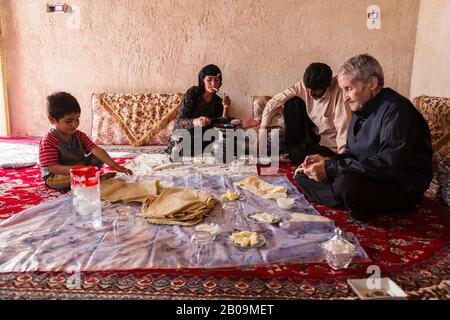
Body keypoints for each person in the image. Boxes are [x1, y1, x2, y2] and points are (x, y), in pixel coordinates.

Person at [295, 54, 433, 221]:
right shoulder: (360, 109)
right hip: (370, 176)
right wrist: (326, 161)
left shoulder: (397, 110)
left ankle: (345, 199)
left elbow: (387, 166)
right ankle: (348, 201)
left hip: (400, 186)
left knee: (346, 185)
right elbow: (353, 154)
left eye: (349, 89)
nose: (345, 97)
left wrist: (331, 168)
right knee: (303, 175)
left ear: (372, 84)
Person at [260, 63, 352, 164]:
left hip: (330, 146)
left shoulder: (340, 92)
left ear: (327, 85)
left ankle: (292, 156)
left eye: (315, 91)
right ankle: (292, 151)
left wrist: (342, 159)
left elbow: (344, 127)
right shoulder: (304, 85)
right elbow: (274, 102)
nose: (309, 93)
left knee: (300, 157)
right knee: (293, 102)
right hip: (313, 134)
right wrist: (263, 130)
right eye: (307, 88)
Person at [39, 92, 133, 190]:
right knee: (71, 178)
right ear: (52, 119)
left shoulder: (78, 135)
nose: (75, 125)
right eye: (69, 121)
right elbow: (53, 167)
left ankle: (87, 178)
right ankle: (93, 178)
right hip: (57, 176)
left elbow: (96, 150)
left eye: (77, 119)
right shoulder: (48, 141)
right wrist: (79, 170)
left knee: (98, 156)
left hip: (79, 168)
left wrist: (116, 166)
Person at [166, 64, 232, 157]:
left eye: (216, 80)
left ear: (220, 82)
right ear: (202, 80)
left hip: (203, 137)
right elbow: (179, 121)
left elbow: (223, 123)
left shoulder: (218, 101)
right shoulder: (193, 93)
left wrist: (226, 107)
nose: (213, 84)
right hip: (185, 134)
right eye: (209, 80)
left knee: (228, 138)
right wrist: (197, 122)